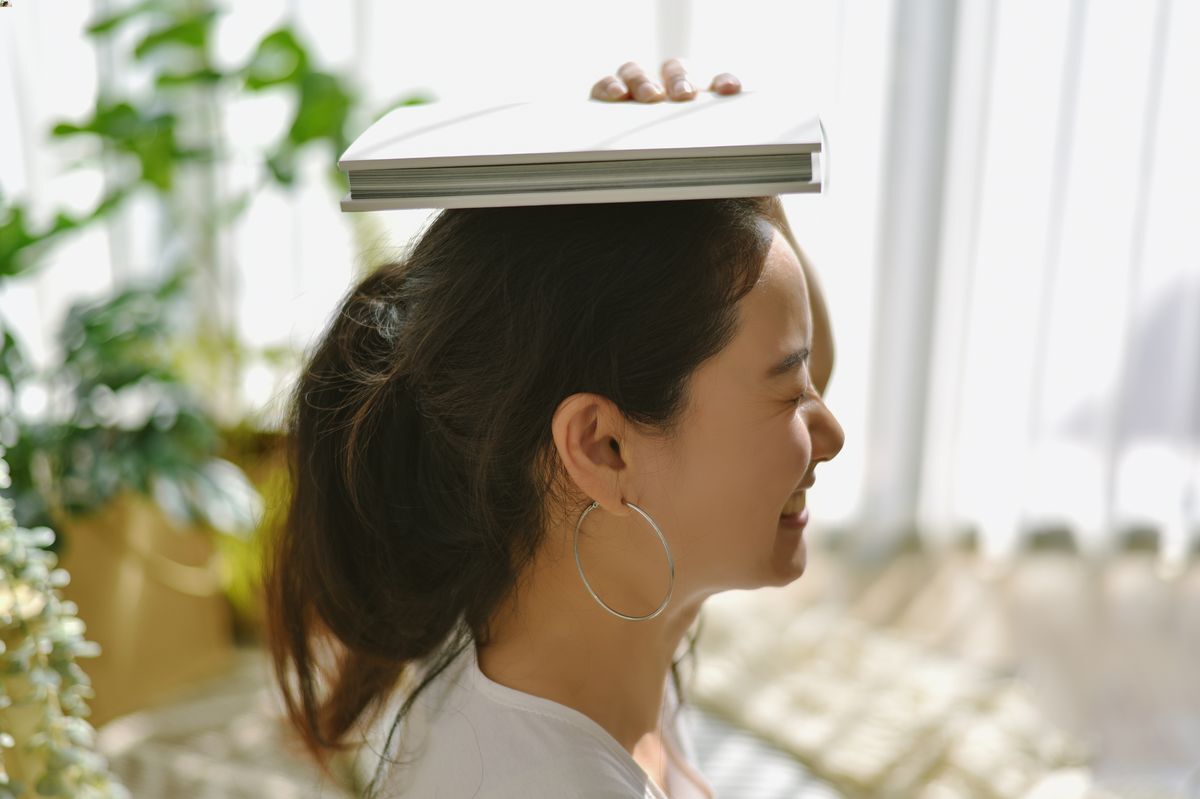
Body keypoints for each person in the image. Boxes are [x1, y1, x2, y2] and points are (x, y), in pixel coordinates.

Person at [266, 59, 845, 798]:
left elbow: (776, 353)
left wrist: (734, 179)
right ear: (604, 448)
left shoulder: (531, 601)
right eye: (790, 392)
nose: (832, 434)